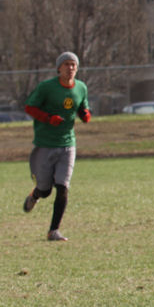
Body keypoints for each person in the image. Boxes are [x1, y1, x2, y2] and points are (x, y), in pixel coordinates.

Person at [22, 51, 90, 242]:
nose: (70, 68)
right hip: (45, 144)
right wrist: (48, 118)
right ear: (59, 68)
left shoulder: (81, 87)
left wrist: (85, 114)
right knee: (45, 190)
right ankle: (35, 195)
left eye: (73, 65)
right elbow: (29, 107)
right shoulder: (46, 87)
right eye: (66, 64)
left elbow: (82, 107)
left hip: (68, 144)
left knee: (63, 186)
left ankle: (53, 231)